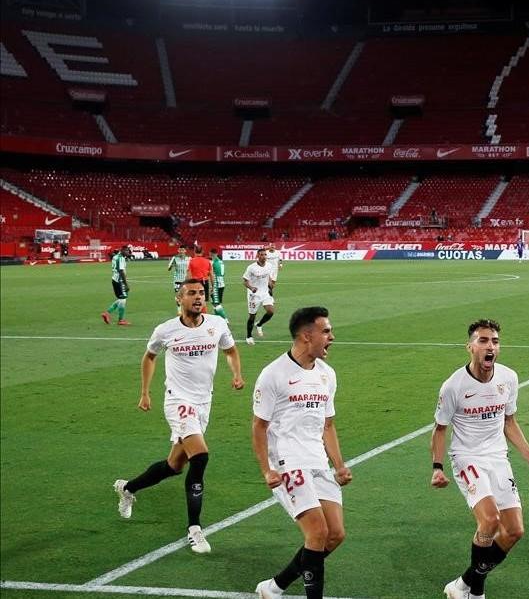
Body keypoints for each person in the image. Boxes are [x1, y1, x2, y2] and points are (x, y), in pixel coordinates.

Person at [113, 278, 243, 554]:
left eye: (201, 293)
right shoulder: (165, 330)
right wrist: (145, 392)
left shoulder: (216, 324)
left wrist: (236, 374)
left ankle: (128, 488)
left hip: (204, 402)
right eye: (191, 293)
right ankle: (194, 529)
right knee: (201, 456)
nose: (198, 297)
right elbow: (149, 357)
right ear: (178, 299)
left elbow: (230, 350)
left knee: (175, 465)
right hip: (178, 401)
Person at [432, 319, 529, 599]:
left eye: (495, 341)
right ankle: (477, 592)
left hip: (498, 458)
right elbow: (439, 429)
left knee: (514, 531)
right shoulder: (453, 386)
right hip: (467, 458)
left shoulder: (508, 378)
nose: (490, 346)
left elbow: (509, 421)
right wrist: (437, 467)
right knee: (489, 521)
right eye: (483, 341)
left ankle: (462, 585)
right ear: (470, 347)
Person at [252, 306, 351, 599]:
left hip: (316, 459)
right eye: (326, 331)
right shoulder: (273, 375)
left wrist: (339, 465)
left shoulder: (326, 375)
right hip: (287, 461)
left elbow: (328, 424)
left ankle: (275, 586)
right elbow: (259, 426)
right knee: (317, 533)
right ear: (307, 336)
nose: (331, 337)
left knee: (334, 535)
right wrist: (267, 470)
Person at [243, 248, 276, 345]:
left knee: (270, 311)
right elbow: (245, 281)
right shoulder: (251, 267)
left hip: (265, 293)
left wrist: (270, 286)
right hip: (254, 295)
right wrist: (251, 287)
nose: (264, 256)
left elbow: (268, 277)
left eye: (265, 254)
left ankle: (259, 324)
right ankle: (249, 336)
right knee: (252, 316)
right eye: (261, 255)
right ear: (257, 256)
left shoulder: (269, 266)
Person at [102, 245, 133, 326]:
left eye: (128, 251)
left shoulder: (115, 257)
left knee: (121, 299)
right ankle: (121, 320)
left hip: (114, 280)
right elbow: (121, 271)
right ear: (122, 250)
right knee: (123, 299)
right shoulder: (121, 258)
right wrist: (126, 284)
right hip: (120, 281)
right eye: (126, 251)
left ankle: (107, 313)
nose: (127, 252)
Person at [188, 245, 215, 312]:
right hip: (205, 282)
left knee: (194, 300)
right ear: (202, 251)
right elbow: (211, 275)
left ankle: (196, 316)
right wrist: (212, 285)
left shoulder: (191, 261)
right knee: (203, 301)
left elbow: (189, 275)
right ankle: (204, 316)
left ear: (194, 251)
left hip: (195, 283)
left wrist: (189, 285)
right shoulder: (207, 261)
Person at [167, 245, 191, 314]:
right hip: (177, 280)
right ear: (178, 251)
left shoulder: (189, 259)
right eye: (180, 250)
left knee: (186, 295)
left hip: (186, 280)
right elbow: (168, 268)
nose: (181, 252)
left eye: (182, 250)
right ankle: (179, 310)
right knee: (178, 295)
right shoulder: (175, 258)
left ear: (185, 251)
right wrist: (171, 266)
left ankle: (186, 308)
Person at [208, 248, 229, 319]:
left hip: (216, 284)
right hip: (222, 283)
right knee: (215, 302)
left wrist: (212, 286)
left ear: (211, 254)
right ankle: (217, 319)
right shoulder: (221, 262)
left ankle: (225, 320)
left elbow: (210, 273)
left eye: (210, 254)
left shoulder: (212, 262)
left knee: (216, 303)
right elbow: (223, 273)